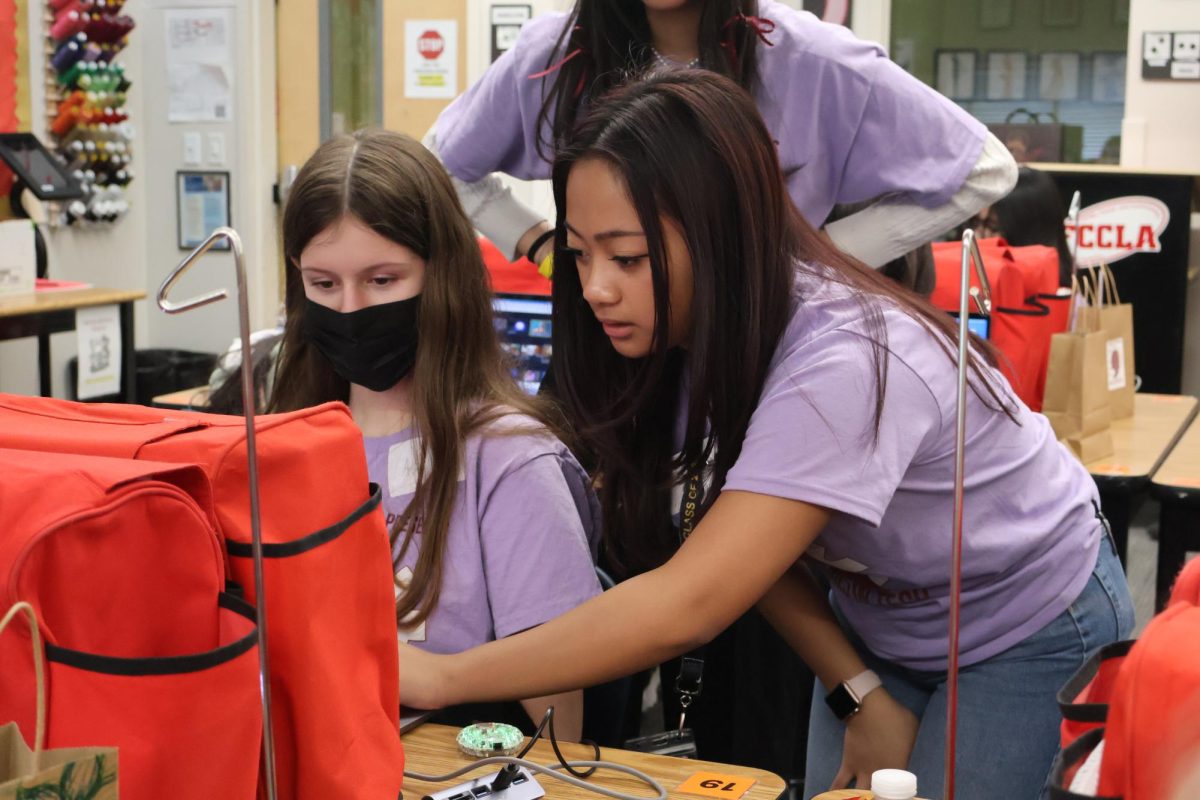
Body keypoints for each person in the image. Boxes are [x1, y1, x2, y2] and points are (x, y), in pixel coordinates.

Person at [398, 72, 1134, 799]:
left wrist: (442, 675)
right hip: (881, 625)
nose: (594, 288)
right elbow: (747, 546)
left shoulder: (843, 365)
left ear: (722, 235)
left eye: (627, 258)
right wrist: (857, 691)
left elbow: (692, 602)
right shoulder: (683, 337)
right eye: (580, 253)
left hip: (1024, 623)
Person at [267, 129, 603, 739]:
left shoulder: (510, 461)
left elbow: (560, 731)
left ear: (440, 276)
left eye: (382, 280)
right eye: (323, 284)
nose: (350, 309)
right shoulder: (283, 441)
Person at [427, 0, 1016, 275]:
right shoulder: (554, 58)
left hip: (766, 358)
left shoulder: (812, 60)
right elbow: (439, 164)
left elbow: (984, 168)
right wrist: (539, 244)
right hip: (614, 363)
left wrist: (807, 266)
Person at [972, 166, 1073, 286]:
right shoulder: (969, 284)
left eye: (993, 226)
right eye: (975, 223)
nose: (978, 236)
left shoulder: (1065, 299)